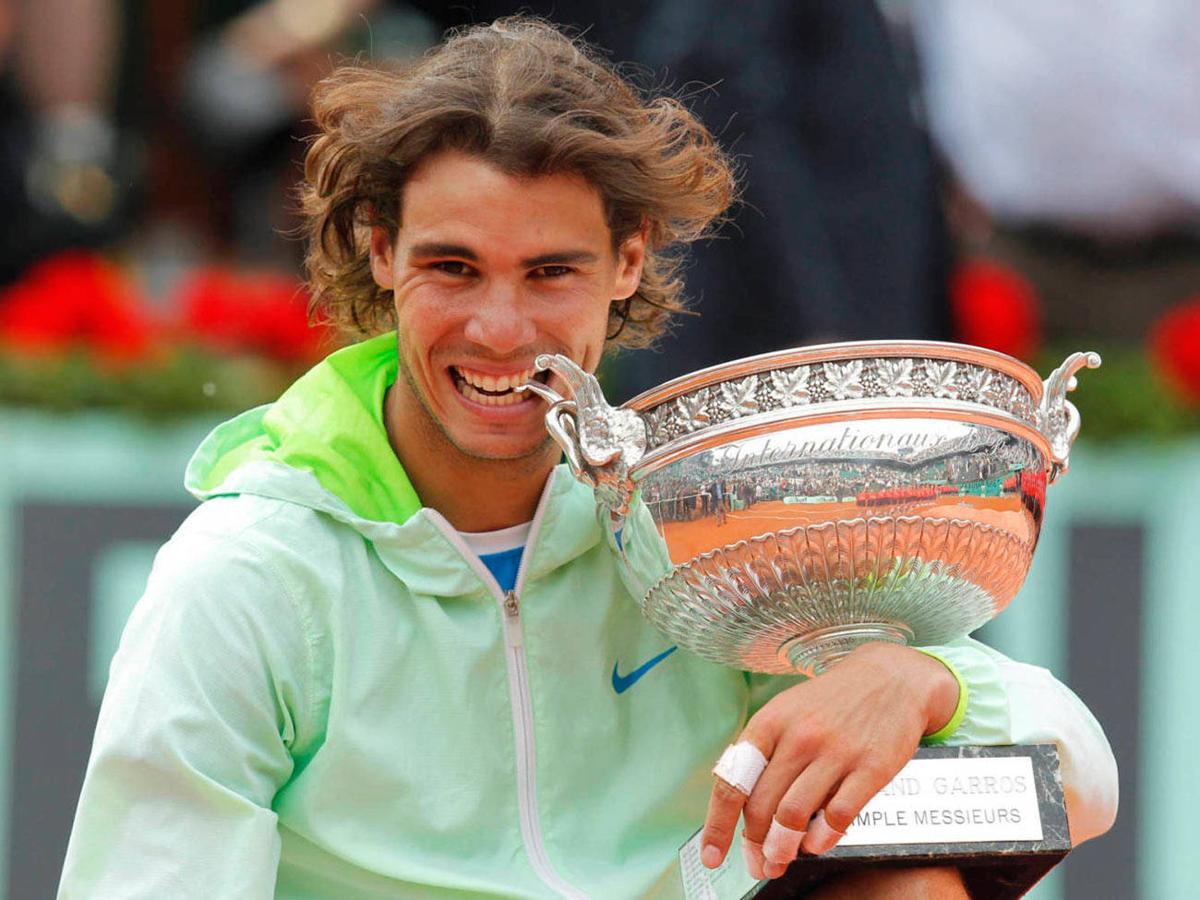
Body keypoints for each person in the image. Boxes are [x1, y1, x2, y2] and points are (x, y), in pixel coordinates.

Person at [58, 18, 1117, 899]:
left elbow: (1082, 780)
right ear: (381, 254)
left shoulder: (700, 525)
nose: (502, 328)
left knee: (912, 882)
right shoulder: (250, 570)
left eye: (552, 271)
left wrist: (913, 680)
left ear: (628, 264)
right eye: (454, 267)